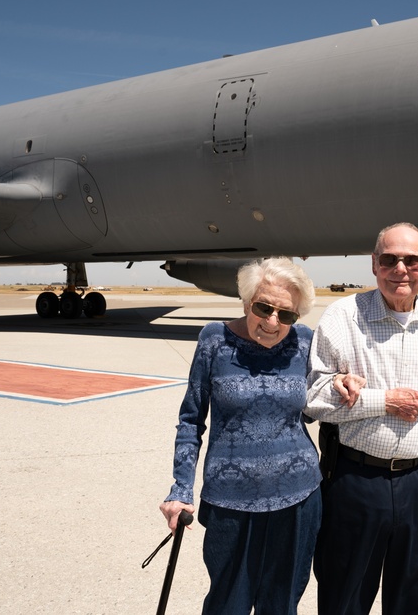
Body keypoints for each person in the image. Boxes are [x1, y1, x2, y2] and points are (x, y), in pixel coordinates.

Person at [305, 223, 418, 615]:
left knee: (416, 597)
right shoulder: (343, 317)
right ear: (374, 264)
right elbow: (313, 398)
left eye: (412, 260)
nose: (400, 268)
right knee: (344, 595)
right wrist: (383, 401)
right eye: (389, 259)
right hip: (356, 482)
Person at [160, 257, 322, 615]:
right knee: (226, 605)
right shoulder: (214, 340)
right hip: (230, 503)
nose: (272, 321)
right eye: (263, 308)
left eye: (287, 314)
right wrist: (181, 489)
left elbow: (314, 408)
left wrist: (343, 384)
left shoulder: (306, 342)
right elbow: (190, 420)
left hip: (299, 498)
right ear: (247, 301)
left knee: (281, 606)